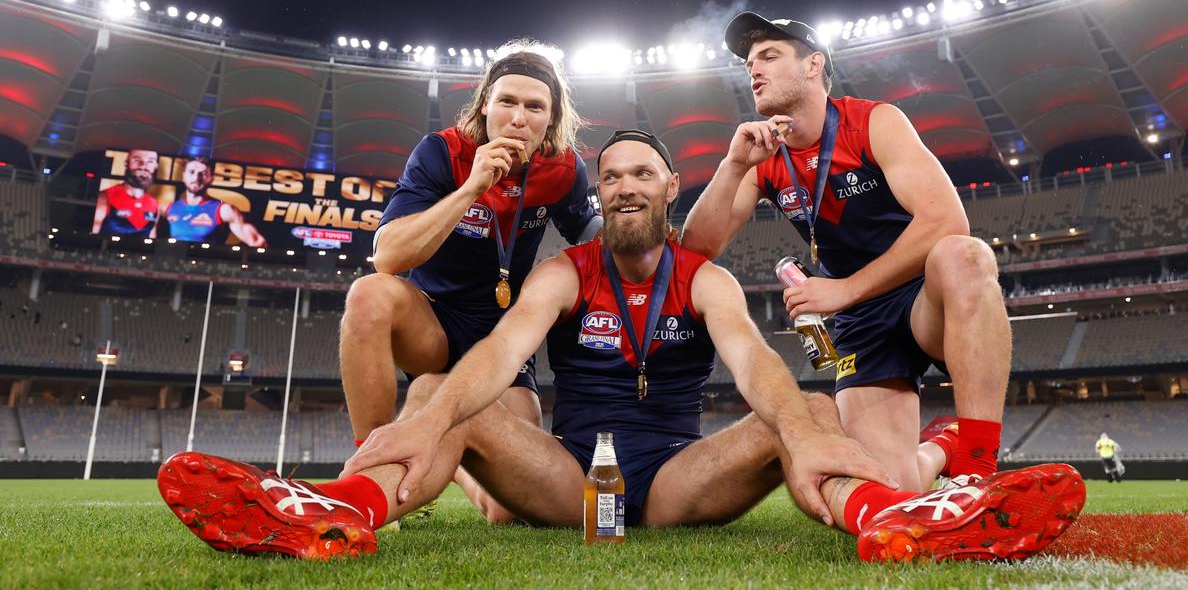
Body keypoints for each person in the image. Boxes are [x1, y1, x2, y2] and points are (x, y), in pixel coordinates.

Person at [157, 131, 1085, 563]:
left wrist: (807, 428)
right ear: (600, 193)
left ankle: (889, 520)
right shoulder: (570, 269)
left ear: (671, 185)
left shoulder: (703, 275)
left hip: (679, 480)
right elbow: (507, 343)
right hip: (570, 481)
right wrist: (434, 409)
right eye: (612, 177)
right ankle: (338, 511)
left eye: (643, 173)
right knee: (451, 394)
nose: (627, 187)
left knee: (791, 411)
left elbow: (754, 363)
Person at [680, 13, 1012, 493]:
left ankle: (978, 472)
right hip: (860, 321)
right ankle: (944, 446)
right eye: (750, 63)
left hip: (922, 298)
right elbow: (695, 249)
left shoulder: (873, 121)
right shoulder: (764, 155)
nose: (754, 70)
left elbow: (946, 220)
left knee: (964, 255)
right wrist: (732, 167)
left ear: (813, 64)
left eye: (769, 56)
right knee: (893, 490)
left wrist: (845, 290)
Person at [340, 40, 601, 523]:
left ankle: (447, 449)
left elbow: (596, 240)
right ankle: (370, 468)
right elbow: (388, 258)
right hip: (432, 326)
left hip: (500, 341)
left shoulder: (563, 169)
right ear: (485, 105)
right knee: (369, 295)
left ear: (552, 119)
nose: (519, 117)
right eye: (507, 102)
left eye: (534, 107)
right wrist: (471, 189)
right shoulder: (443, 152)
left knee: (507, 511)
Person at [160, 156, 267, 247]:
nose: (197, 177)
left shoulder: (223, 210)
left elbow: (258, 242)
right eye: (192, 172)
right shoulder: (168, 209)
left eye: (203, 174)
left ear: (211, 179)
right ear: (184, 176)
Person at [92, 148, 159, 237]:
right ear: (126, 163)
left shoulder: (154, 204)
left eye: (150, 161)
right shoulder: (105, 197)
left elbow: (152, 237)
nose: (143, 166)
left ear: (156, 166)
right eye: (137, 160)